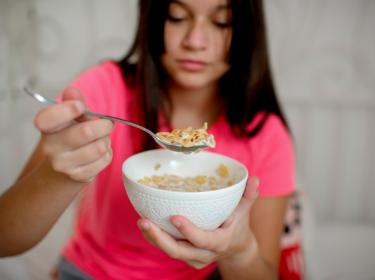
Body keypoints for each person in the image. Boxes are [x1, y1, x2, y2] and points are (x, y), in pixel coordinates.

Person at [0, 0, 302, 279]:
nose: (195, 41)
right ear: (153, 18)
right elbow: (5, 239)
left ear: (248, 32)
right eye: (177, 17)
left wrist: (239, 249)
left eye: (222, 22)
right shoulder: (105, 90)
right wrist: (58, 174)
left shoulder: (267, 136)